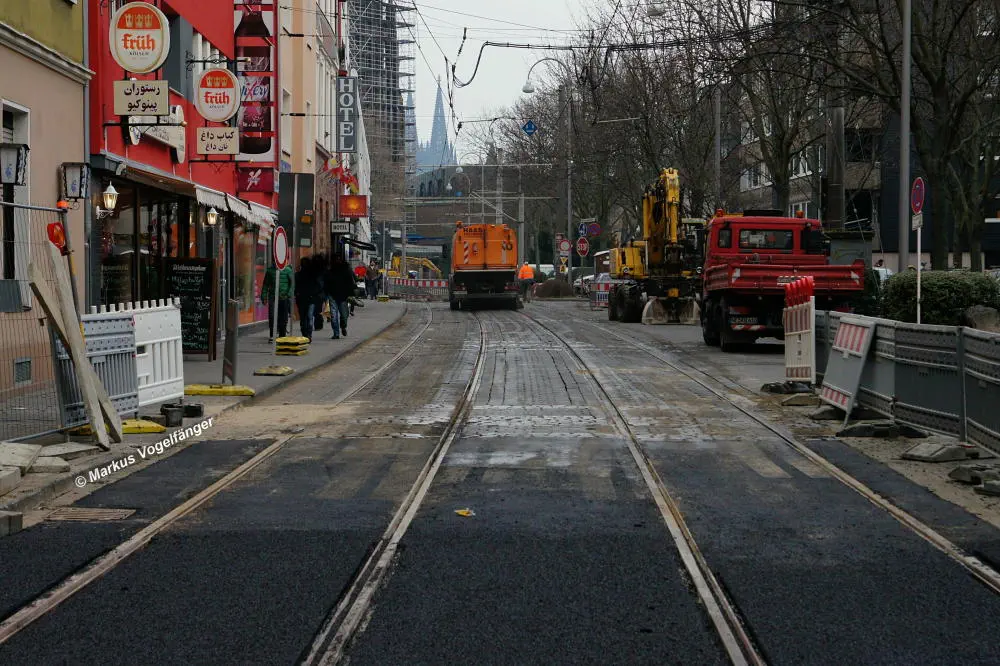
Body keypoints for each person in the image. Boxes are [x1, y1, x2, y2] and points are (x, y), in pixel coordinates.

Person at [324, 253, 355, 339]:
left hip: (343, 296)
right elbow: (326, 283)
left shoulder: (346, 270)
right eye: (336, 259)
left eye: (339, 259)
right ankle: (336, 333)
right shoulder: (329, 271)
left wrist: (351, 293)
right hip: (332, 296)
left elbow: (350, 282)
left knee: (344, 315)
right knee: (334, 316)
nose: (337, 261)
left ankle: (343, 326)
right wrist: (326, 294)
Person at [262, 258, 293, 342]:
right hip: (273, 297)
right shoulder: (270, 271)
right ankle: (272, 335)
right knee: (272, 316)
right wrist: (264, 297)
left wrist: (288, 294)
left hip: (284, 297)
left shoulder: (288, 270)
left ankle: (282, 336)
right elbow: (265, 284)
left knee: (283, 317)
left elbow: (292, 284)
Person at [295, 257, 323, 342]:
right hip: (305, 299)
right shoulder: (298, 275)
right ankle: (306, 335)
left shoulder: (312, 275)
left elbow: (319, 286)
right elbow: (295, 287)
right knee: (306, 318)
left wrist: (314, 294)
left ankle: (307, 335)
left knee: (307, 317)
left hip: (308, 299)